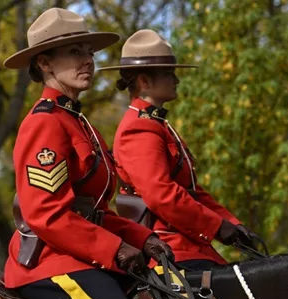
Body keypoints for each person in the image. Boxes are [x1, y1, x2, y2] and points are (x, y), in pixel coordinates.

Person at [2, 10, 173, 299]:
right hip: (50, 263)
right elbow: (48, 215)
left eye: (89, 52)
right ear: (46, 63)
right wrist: (116, 249)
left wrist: (143, 237)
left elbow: (92, 211)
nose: (88, 61)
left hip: (81, 256)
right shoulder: (45, 124)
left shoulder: (80, 123)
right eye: (75, 53)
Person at [98, 29, 260, 271]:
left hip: (189, 242)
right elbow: (161, 195)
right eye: (168, 73)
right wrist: (217, 227)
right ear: (144, 82)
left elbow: (192, 191)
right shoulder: (139, 128)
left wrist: (232, 224)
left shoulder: (157, 124)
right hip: (166, 246)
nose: (176, 80)